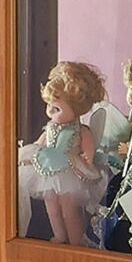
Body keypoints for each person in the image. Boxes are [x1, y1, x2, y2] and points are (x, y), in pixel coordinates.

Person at [20, 61, 110, 245]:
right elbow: (40, 143)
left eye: (57, 109)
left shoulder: (81, 131)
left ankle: (77, 240)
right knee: (51, 206)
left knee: (70, 210)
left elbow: (88, 150)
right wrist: (30, 154)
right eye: (49, 106)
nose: (50, 113)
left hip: (70, 171)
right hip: (48, 171)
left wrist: (88, 158)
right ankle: (60, 235)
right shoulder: (51, 127)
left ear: (76, 109)